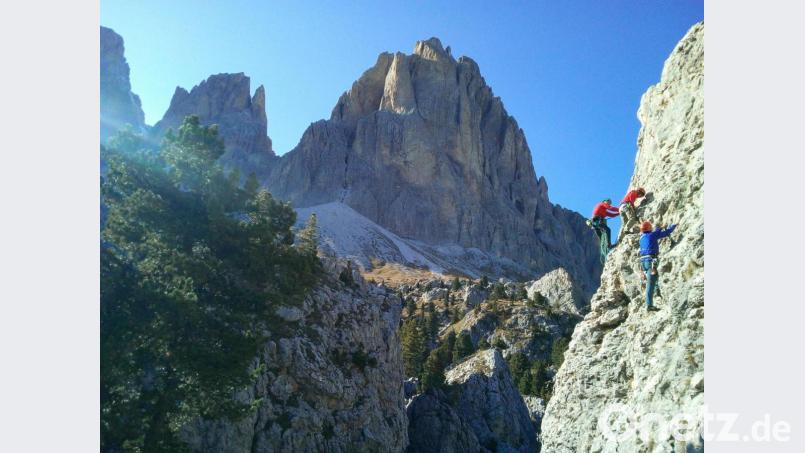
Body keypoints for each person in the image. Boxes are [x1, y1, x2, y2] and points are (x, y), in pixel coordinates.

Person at [639, 221, 677, 311]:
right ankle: (649, 305)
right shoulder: (652, 235)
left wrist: (660, 228)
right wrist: (673, 226)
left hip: (643, 262)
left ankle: (657, 291)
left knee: (652, 279)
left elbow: (658, 232)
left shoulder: (641, 238)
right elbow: (665, 232)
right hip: (651, 261)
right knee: (650, 283)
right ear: (649, 228)